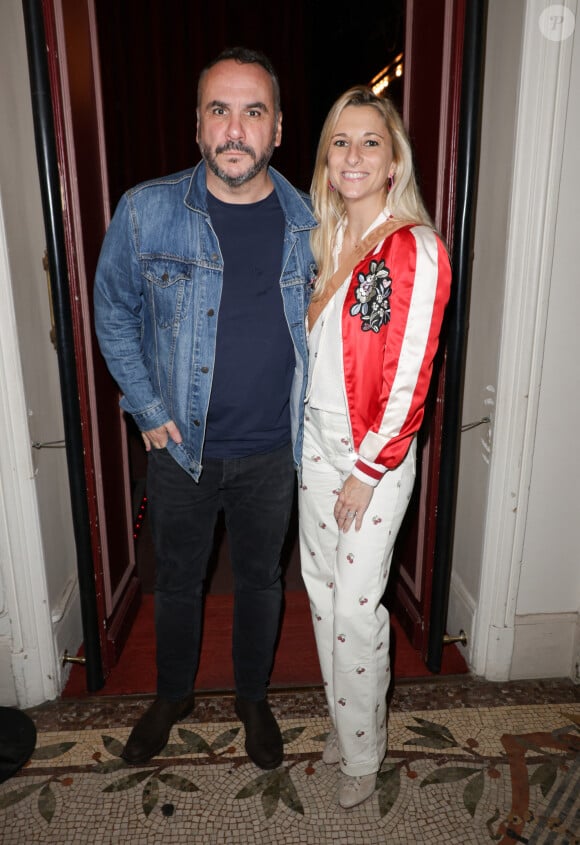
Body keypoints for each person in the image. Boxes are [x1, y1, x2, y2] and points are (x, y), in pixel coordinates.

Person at [93, 47, 316, 770]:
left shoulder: (312, 221)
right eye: (219, 110)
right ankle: (172, 693)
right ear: (197, 126)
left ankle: (252, 693)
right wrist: (147, 404)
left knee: (258, 579)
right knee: (178, 579)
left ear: (278, 128)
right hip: (179, 446)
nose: (234, 129)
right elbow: (112, 312)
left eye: (254, 112)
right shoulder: (146, 210)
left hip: (272, 449)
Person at [298, 86, 452, 808]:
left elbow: (410, 373)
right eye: (340, 142)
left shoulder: (415, 247)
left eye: (369, 142)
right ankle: (347, 721)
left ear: (394, 163)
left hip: (373, 457)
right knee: (324, 596)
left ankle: (364, 757)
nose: (353, 155)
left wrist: (366, 467)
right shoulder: (323, 238)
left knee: (358, 605)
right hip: (315, 440)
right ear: (327, 161)